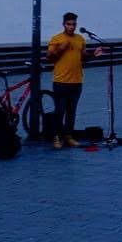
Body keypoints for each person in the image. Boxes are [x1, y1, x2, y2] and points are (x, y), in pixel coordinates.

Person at [45, 12, 106, 149]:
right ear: (63, 24)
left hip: (77, 81)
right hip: (61, 81)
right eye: (69, 24)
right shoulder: (57, 38)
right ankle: (57, 137)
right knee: (59, 111)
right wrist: (60, 49)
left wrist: (94, 54)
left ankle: (68, 136)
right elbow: (49, 57)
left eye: (74, 24)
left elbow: (83, 58)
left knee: (71, 111)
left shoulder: (80, 39)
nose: (71, 27)